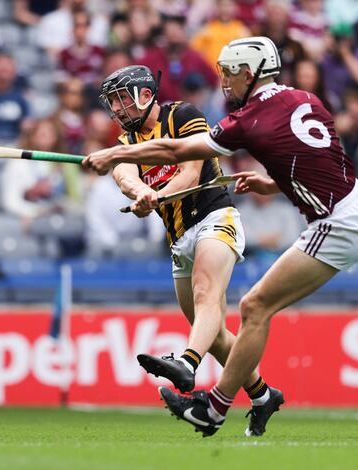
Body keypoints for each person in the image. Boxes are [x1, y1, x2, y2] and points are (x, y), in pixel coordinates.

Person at [84, 36, 358, 437]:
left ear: (250, 73)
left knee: (254, 306)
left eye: (229, 74)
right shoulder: (305, 98)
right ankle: (256, 396)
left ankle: (213, 407)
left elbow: (179, 152)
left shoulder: (247, 120)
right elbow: (317, 159)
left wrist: (115, 155)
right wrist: (273, 182)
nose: (224, 83)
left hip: (338, 219)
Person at [99, 64, 279, 436]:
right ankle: (262, 395)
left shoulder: (183, 115)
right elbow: (124, 175)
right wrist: (139, 192)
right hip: (179, 237)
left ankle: (186, 363)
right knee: (211, 330)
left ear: (146, 96)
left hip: (216, 217)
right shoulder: (125, 145)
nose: (117, 109)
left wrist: (156, 194)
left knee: (205, 294)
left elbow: (189, 174)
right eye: (112, 102)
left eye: (122, 99)